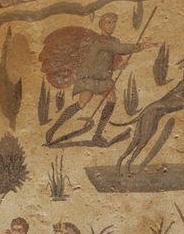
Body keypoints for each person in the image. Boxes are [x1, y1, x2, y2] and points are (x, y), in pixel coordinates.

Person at [45, 12, 151, 146]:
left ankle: (98, 135)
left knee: (111, 99)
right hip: (89, 78)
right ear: (102, 25)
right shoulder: (102, 41)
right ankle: (53, 129)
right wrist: (143, 46)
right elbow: (119, 48)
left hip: (102, 78)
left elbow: (103, 63)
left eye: (114, 22)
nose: (112, 25)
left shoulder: (112, 41)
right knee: (82, 103)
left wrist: (116, 66)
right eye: (108, 22)